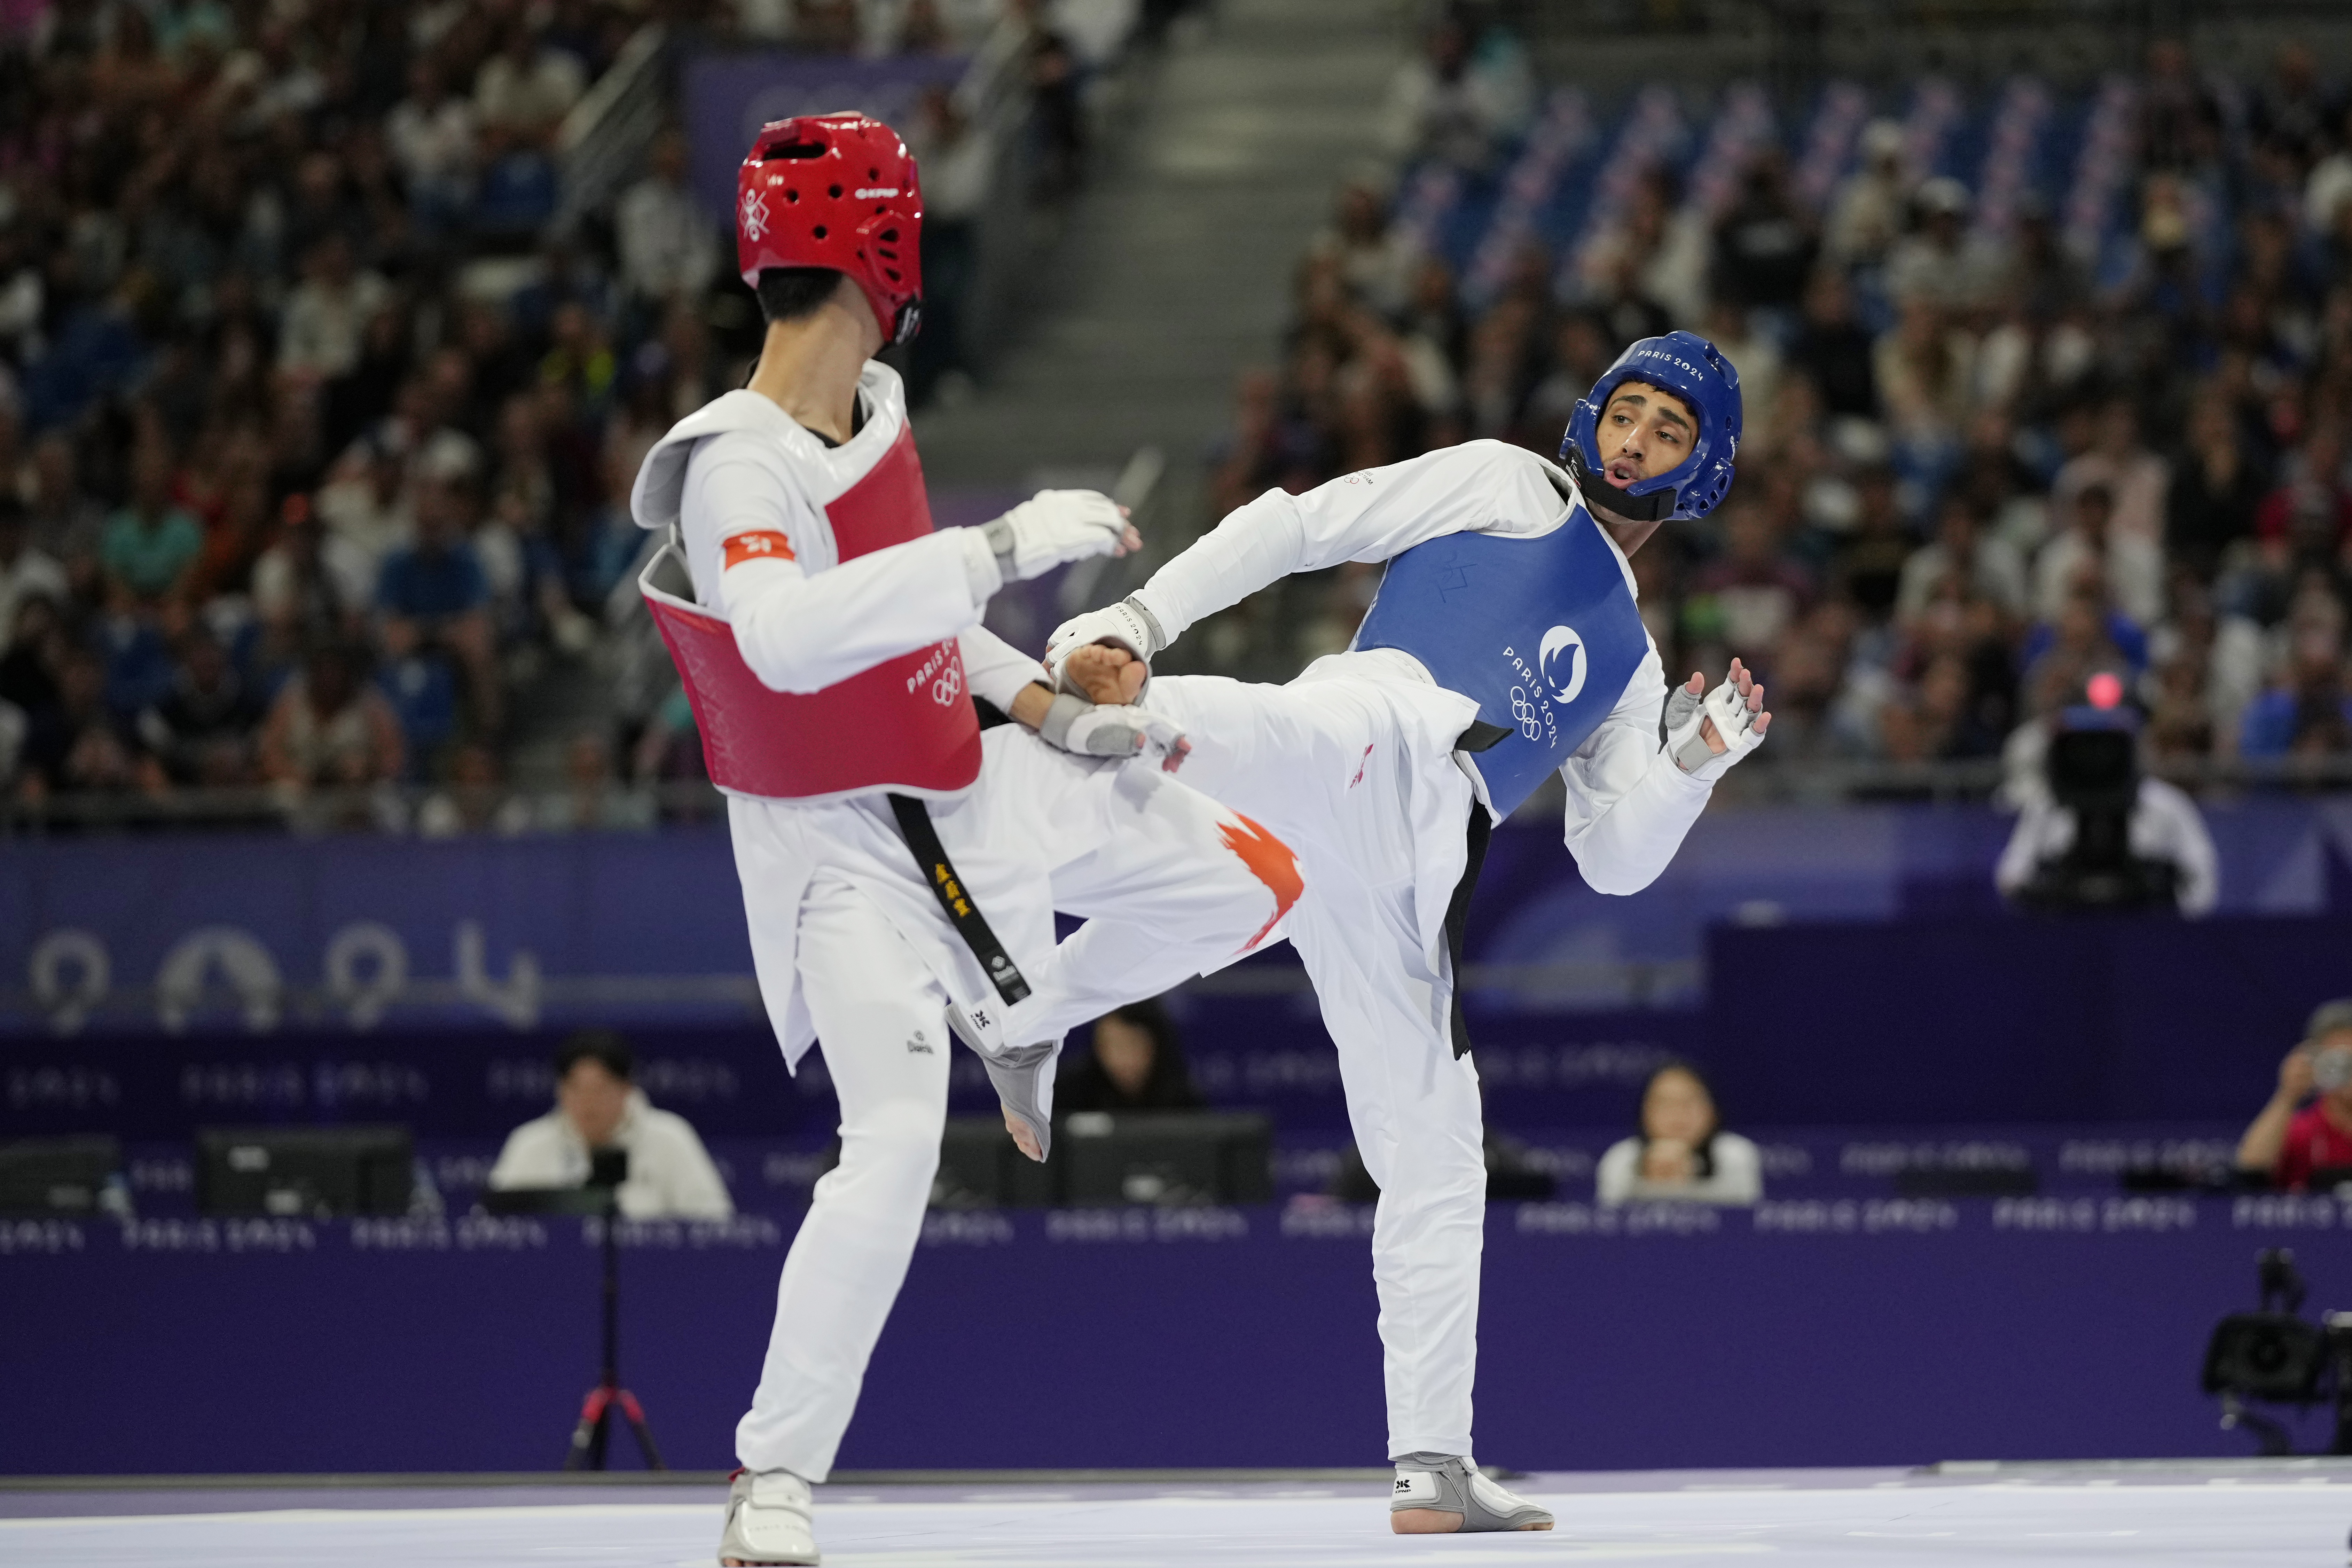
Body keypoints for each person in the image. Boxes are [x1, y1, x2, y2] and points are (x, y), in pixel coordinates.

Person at [629, 114, 1301, 1568]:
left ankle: (1024, 1014)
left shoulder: (874, 405)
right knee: (891, 1146)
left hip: (961, 780)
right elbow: (785, 640)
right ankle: (772, 1477)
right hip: (840, 853)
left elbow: (922, 632)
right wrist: (999, 548)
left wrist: (1050, 708)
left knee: (1255, 884)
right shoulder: (738, 464)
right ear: (881, 247)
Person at [1046, 330, 1769, 1535]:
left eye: (1666, 431)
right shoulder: (1506, 482)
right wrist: (1139, 614)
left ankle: (1431, 1464)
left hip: (1418, 867)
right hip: (1379, 727)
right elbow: (1298, 524)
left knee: (1436, 1155)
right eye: (1625, 412)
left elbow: (1612, 861)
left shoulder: (1634, 665)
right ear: (1588, 415)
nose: (1633, 440)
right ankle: (1083, 691)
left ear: (1700, 471)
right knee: (1266, 737)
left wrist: (1690, 764)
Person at [488, 1030, 734, 1218]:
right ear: (560, 1090)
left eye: (600, 1089)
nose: (588, 1102)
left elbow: (714, 1218)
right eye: (576, 1089)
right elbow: (494, 1227)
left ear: (627, 1089)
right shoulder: (529, 1144)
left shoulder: (670, 1137)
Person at [1595, 1061, 1760, 1206]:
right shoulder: (1621, 1158)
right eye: (1665, 1103)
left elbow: (1743, 1218)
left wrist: (1687, 1178)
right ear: (1645, 1113)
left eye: (1689, 1102)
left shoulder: (1736, 1155)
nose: (1678, 1113)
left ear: (1712, 1111)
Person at [2237, 1002, 2352, 1191]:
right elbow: (2251, 1171)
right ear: (2317, 1062)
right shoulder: (2302, 1131)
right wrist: (2287, 1096)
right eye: (2340, 1062)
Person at [1055, 998, 1205, 1114]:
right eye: (1112, 1045)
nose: (1121, 1058)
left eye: (1132, 1044)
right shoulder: (1066, 1094)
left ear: (1156, 1045)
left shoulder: (1186, 1103)